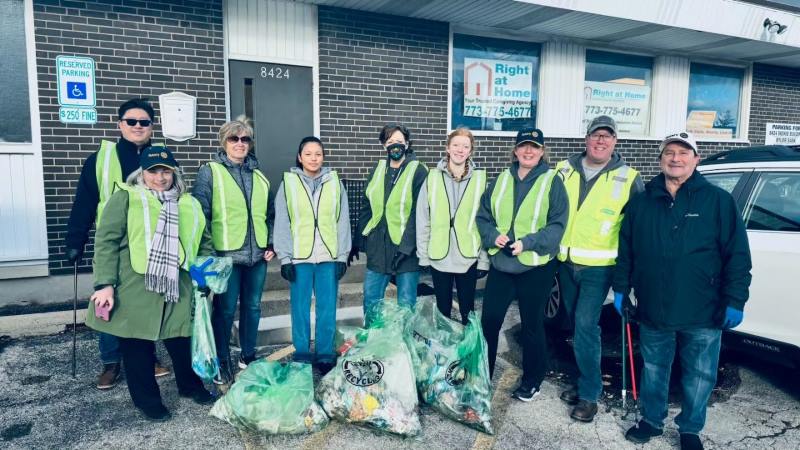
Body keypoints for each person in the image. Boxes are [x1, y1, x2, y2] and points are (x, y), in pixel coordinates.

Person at [613, 132, 752, 450]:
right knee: (655, 368)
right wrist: (621, 289)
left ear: (696, 159)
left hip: (703, 307)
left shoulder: (718, 201)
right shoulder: (641, 202)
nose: (676, 158)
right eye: (670, 153)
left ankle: (690, 428)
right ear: (660, 159)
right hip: (653, 306)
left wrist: (735, 299)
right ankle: (651, 419)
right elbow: (626, 251)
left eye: (684, 153)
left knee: (700, 373)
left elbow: (737, 256)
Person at [86, 146, 216, 422]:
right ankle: (148, 401)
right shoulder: (126, 198)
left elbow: (203, 241)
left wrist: (205, 275)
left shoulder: (189, 202)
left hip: (179, 283)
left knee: (182, 340)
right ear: (142, 173)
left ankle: (190, 386)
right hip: (136, 285)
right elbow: (106, 242)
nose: (160, 177)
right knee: (137, 347)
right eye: (153, 171)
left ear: (174, 173)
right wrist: (104, 284)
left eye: (166, 171)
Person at [64, 98, 168, 390]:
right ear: (119, 124)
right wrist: (76, 239)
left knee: (148, 302)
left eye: (144, 122)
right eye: (131, 121)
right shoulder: (101, 159)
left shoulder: (159, 156)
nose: (138, 126)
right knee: (107, 301)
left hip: (149, 245)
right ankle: (111, 362)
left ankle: (149, 357)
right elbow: (84, 202)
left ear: (152, 126)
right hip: (111, 245)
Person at [555, 115, 644, 422]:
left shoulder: (629, 178)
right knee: (573, 325)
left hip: (599, 268)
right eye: (596, 135)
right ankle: (582, 381)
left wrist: (626, 280)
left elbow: (635, 232)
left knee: (584, 326)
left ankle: (590, 395)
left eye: (607, 136)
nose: (601, 141)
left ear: (615, 141)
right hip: (565, 263)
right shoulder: (563, 169)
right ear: (586, 139)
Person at [476, 128, 568, 401]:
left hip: (535, 267)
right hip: (502, 264)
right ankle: (482, 376)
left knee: (532, 326)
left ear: (542, 151)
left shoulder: (552, 181)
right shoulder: (501, 179)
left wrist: (527, 242)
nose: (528, 151)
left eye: (534, 147)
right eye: (523, 146)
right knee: (489, 322)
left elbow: (557, 226)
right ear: (515, 150)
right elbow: (483, 216)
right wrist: (493, 236)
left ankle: (532, 381)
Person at [192, 117, 274, 384]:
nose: (240, 143)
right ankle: (222, 359)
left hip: (257, 256)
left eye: (245, 139)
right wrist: (207, 255)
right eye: (234, 138)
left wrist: (270, 243)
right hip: (226, 256)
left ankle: (247, 355)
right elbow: (200, 213)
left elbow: (269, 214)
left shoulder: (259, 175)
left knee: (252, 307)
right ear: (224, 141)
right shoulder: (210, 171)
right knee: (225, 311)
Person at [273, 136, 351, 374]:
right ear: (300, 157)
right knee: (300, 307)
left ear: (323, 157)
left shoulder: (335, 182)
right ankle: (303, 353)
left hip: (328, 256)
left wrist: (342, 256)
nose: (313, 158)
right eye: (308, 154)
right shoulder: (288, 183)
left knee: (327, 307)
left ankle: (326, 353)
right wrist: (285, 258)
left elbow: (343, 220)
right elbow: (282, 222)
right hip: (300, 257)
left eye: (318, 153)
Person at [353, 124, 428, 325]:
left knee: (406, 303)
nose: (395, 146)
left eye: (399, 142)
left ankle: (403, 346)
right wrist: (360, 237)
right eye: (390, 142)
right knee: (371, 299)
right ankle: (373, 341)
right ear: (383, 145)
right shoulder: (377, 169)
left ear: (407, 144)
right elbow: (366, 204)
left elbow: (419, 214)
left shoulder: (419, 171)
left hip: (406, 249)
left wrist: (407, 246)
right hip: (379, 245)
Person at [416, 127, 489, 324]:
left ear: (470, 151)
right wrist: (423, 255)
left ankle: (468, 351)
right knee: (443, 310)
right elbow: (423, 220)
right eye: (456, 145)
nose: (460, 149)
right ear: (447, 148)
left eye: (465, 146)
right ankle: (445, 351)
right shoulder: (431, 178)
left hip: (468, 256)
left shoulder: (481, 180)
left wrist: (484, 260)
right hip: (439, 255)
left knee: (468, 311)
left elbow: (486, 223)